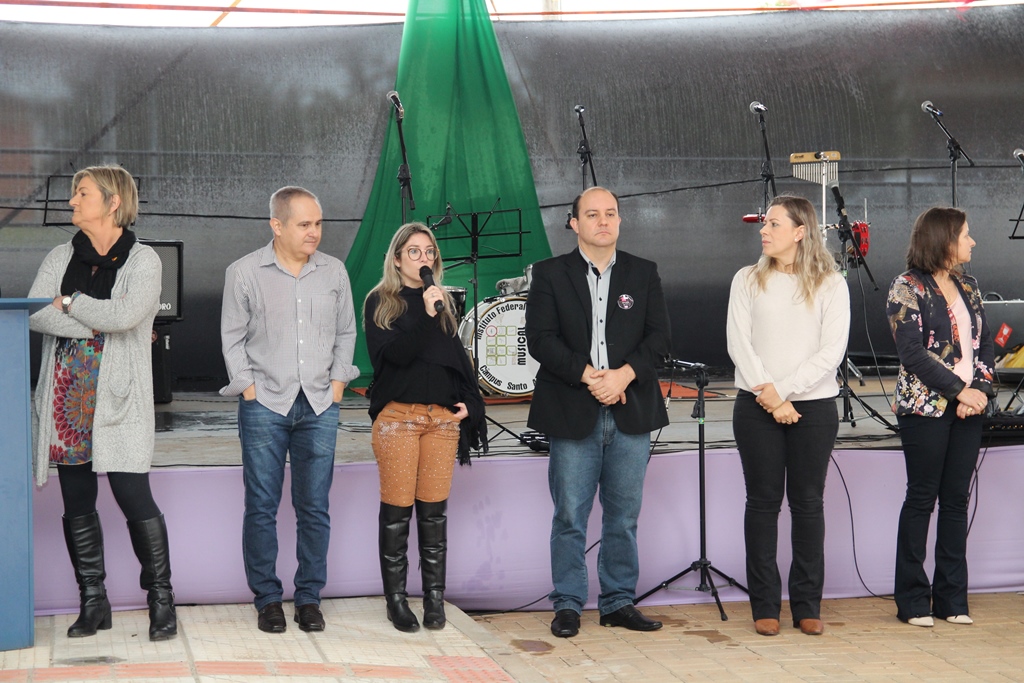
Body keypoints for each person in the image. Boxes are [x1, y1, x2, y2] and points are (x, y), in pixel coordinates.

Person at [28, 165, 177, 641]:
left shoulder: (144, 260)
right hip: (65, 400)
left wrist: (70, 303)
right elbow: (35, 312)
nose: (72, 201)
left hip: (119, 399)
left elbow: (128, 315)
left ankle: (161, 600)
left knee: (134, 497)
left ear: (113, 202)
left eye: (82, 193)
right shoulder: (60, 255)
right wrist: (97, 321)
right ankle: (93, 602)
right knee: (76, 500)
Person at [525, 186, 670, 639]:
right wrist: (591, 376)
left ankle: (618, 602)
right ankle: (568, 604)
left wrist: (623, 376)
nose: (603, 221)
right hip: (572, 410)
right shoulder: (550, 273)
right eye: (592, 214)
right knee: (570, 515)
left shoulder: (643, 272)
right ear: (574, 223)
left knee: (623, 516)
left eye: (610, 213)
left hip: (631, 409)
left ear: (620, 220)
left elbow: (659, 339)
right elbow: (541, 339)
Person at [220, 186, 359, 633]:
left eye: (318, 223)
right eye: (304, 224)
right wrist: (248, 390)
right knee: (261, 505)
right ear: (276, 226)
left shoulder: (334, 272)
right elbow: (232, 338)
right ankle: (267, 599)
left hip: (320, 404)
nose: (314, 232)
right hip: (264, 404)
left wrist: (337, 385)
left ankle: (309, 598)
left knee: (314, 506)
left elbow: (346, 333)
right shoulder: (244, 272)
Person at [726, 194, 850, 637]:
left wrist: (784, 391)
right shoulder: (746, 279)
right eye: (765, 223)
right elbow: (739, 344)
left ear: (800, 232)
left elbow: (831, 353)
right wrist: (771, 396)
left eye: (774, 224)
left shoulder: (831, 284)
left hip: (813, 408)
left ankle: (807, 606)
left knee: (808, 504)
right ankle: (764, 606)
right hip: (756, 406)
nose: (763, 230)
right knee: (762, 504)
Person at [363, 222, 486, 633]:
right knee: (397, 514)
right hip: (398, 419)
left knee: (434, 516)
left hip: (440, 422)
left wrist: (470, 403)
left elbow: (457, 362)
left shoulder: (442, 305)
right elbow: (394, 357)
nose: (424, 258)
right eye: (414, 252)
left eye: (429, 252)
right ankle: (396, 601)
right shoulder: (381, 302)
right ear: (397, 259)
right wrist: (428, 315)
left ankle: (434, 599)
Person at [887, 207, 994, 627]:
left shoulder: (969, 285)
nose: (972, 242)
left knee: (955, 501)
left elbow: (984, 344)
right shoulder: (906, 286)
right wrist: (958, 390)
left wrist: (978, 391)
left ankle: (951, 600)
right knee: (921, 498)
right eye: (965, 235)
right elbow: (911, 353)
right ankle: (913, 600)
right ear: (943, 240)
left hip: (969, 407)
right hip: (925, 409)